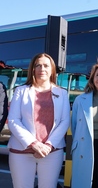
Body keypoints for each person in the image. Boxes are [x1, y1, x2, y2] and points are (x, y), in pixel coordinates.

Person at [7, 53, 70, 188]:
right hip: (21, 152)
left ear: (52, 69)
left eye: (46, 65)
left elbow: (64, 122)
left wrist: (48, 145)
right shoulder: (20, 91)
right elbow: (13, 120)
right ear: (33, 69)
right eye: (38, 65)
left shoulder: (62, 93)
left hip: (52, 152)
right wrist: (33, 143)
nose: (42, 69)